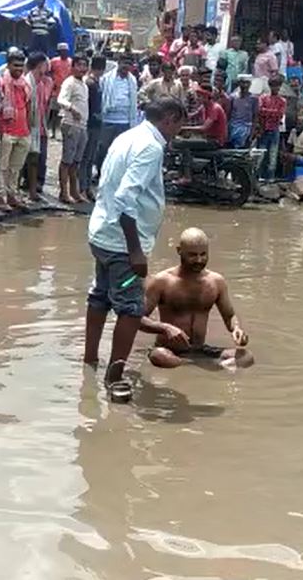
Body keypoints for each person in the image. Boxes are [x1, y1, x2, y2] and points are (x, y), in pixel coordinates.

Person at [84, 97, 188, 402]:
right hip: (121, 243)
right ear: (169, 118)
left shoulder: (128, 136)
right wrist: (135, 252)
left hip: (101, 233)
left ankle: (89, 360)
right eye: (180, 124)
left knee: (100, 296)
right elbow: (126, 199)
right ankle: (114, 377)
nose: (179, 131)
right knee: (130, 309)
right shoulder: (151, 146)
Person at [143, 228, 254, 370]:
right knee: (158, 356)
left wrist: (236, 329)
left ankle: (197, 364)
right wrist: (166, 328)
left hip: (200, 350)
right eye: (193, 255)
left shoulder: (216, 281)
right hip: (169, 349)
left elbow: (229, 316)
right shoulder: (161, 281)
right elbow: (137, 318)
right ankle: (203, 366)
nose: (199, 260)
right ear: (179, 251)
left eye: (203, 254)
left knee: (246, 357)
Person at [0, 52, 31, 212]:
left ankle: (12, 195)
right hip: (7, 132)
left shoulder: (25, 84)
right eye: (15, 65)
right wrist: (1, 130)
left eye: (21, 65)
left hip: (23, 131)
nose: (19, 69)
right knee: (2, 167)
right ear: (8, 65)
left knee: (15, 168)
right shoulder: (2, 83)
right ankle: (0, 198)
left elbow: (28, 106)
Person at [96, 53, 139, 178]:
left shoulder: (132, 81)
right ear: (119, 63)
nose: (126, 66)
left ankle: (117, 175)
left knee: (121, 151)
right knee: (103, 148)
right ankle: (101, 173)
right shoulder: (106, 78)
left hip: (125, 121)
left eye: (129, 64)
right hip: (108, 119)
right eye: (124, 63)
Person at [57, 55, 90, 204]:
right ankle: (64, 192)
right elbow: (61, 99)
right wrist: (72, 109)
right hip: (70, 124)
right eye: (79, 65)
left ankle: (74, 191)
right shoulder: (69, 83)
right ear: (73, 67)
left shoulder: (84, 85)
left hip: (82, 125)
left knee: (76, 161)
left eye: (84, 65)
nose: (82, 68)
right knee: (67, 161)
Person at [22, 52, 53, 203]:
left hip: (39, 126)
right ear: (40, 65)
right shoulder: (27, 83)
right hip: (29, 126)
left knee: (36, 159)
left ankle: (33, 190)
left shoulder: (41, 83)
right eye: (45, 64)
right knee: (28, 160)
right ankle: (29, 191)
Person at [79, 55, 106, 197]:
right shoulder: (90, 84)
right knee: (86, 157)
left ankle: (86, 187)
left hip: (94, 124)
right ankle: (83, 187)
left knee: (89, 157)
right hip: (90, 124)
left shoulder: (95, 83)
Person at [257, 76, 287, 179]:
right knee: (260, 155)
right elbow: (260, 111)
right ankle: (258, 177)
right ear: (270, 86)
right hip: (263, 129)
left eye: (278, 86)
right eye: (274, 86)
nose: (276, 88)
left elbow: (280, 114)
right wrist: (273, 112)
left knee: (273, 156)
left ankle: (270, 179)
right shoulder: (263, 98)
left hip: (274, 130)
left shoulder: (282, 100)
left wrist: (267, 112)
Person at [48, 43, 72, 140]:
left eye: (66, 51)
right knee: (54, 113)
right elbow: (49, 72)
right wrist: (52, 82)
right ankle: (53, 132)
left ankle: (61, 133)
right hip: (55, 91)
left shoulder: (70, 62)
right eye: (63, 51)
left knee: (64, 115)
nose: (65, 53)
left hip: (66, 91)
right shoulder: (54, 61)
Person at [227, 75, 258, 148]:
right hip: (233, 129)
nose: (245, 85)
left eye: (247, 83)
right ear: (239, 83)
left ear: (250, 84)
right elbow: (228, 114)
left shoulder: (253, 99)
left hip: (247, 130)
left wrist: (252, 133)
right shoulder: (232, 97)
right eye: (242, 83)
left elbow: (255, 117)